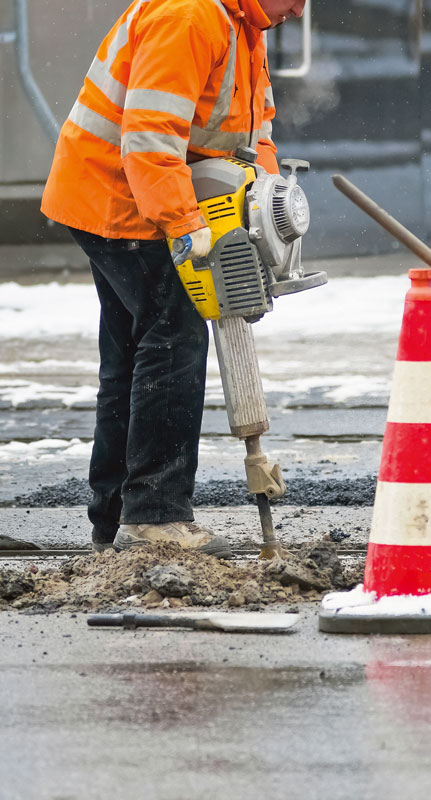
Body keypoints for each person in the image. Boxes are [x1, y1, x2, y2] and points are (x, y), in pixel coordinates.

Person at [40, 0, 306, 556]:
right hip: (123, 200)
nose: (301, 10)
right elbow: (150, 137)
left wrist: (265, 215)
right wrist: (185, 225)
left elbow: (253, 139)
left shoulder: (244, 26)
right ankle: (154, 518)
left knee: (134, 353)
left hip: (125, 196)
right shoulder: (189, 18)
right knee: (174, 337)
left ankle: (114, 518)